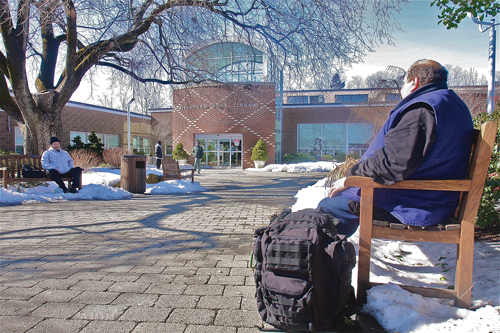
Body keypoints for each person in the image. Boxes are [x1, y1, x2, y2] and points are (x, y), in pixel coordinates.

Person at [318, 59, 474, 237]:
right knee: (338, 202)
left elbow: (393, 162)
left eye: (404, 83)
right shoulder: (452, 105)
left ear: (414, 82)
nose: (402, 89)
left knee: (328, 208)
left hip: (411, 204)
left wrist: (353, 175)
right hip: (433, 200)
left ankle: (325, 262)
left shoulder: (421, 110)